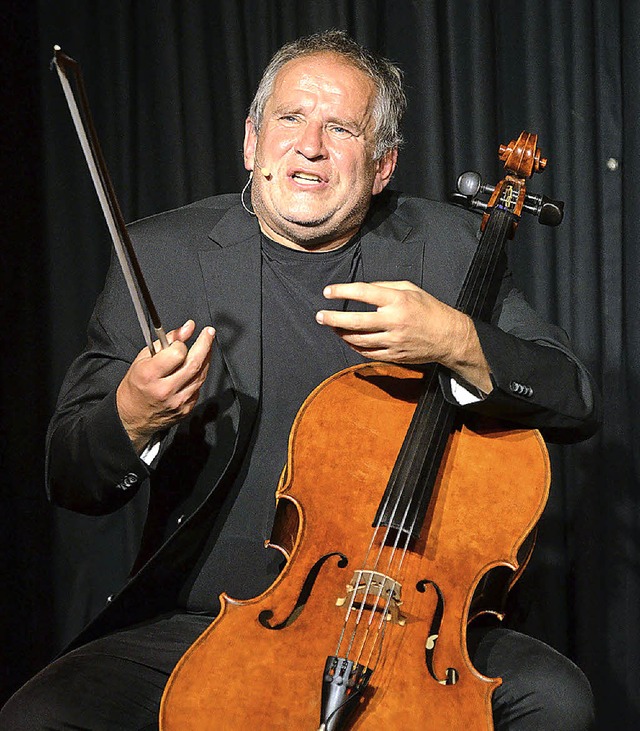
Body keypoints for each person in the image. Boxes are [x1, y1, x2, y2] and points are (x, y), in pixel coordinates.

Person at [1, 30, 598, 730]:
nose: (309, 145)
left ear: (382, 166)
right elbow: (71, 476)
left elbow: (571, 395)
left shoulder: (446, 246)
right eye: (290, 119)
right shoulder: (164, 255)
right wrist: (132, 412)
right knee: (37, 715)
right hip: (205, 615)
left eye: (340, 128)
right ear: (252, 141)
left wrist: (457, 339)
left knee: (558, 699)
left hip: (404, 623)